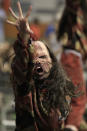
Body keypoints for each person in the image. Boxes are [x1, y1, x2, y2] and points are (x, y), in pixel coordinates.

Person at [7, 1, 80, 131]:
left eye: (42, 57)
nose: (37, 61)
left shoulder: (63, 92)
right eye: (32, 60)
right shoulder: (25, 89)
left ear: (52, 63)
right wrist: (23, 38)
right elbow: (21, 67)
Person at [57, 0, 87, 130]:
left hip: (70, 58)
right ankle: (71, 126)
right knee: (78, 99)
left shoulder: (75, 16)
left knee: (68, 97)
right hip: (72, 58)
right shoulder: (76, 13)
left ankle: (68, 124)